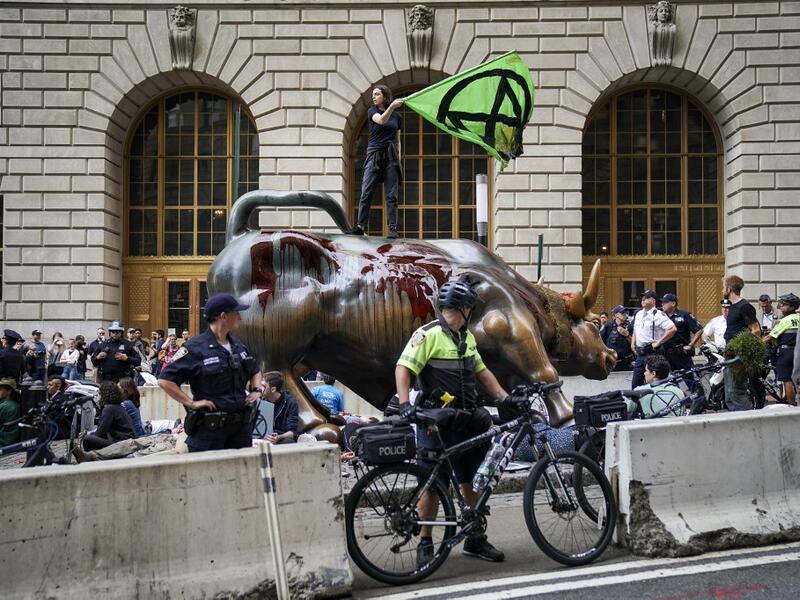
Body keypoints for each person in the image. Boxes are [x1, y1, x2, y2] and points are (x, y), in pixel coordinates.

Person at [396, 277, 509, 564]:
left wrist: (504, 398)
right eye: (471, 307)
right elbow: (403, 367)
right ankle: (425, 541)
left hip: (467, 419)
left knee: (470, 479)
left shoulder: (466, 337)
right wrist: (405, 404)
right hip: (438, 422)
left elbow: (483, 373)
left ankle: (474, 538)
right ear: (464, 307)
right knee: (434, 483)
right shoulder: (428, 334)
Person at [158, 293, 263, 452]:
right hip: (209, 432)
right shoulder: (195, 347)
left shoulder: (238, 345)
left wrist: (257, 390)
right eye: (236, 313)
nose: (240, 318)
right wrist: (191, 403)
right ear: (223, 316)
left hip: (240, 430)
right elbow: (165, 380)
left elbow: (255, 370)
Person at [351, 85, 404, 239]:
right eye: (373, 94)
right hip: (374, 154)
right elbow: (381, 120)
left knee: (391, 195)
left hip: (391, 156)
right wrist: (393, 106)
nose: (373, 97)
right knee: (366, 191)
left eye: (377, 94)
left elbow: (398, 140)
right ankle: (360, 226)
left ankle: (393, 228)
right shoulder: (372, 111)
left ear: (384, 96)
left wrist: (398, 158)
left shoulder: (397, 117)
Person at [722, 275, 761, 411]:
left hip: (738, 355)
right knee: (729, 394)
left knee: (736, 391)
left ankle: (747, 421)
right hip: (729, 352)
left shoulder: (744, 306)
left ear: (729, 288)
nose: (722, 290)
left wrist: (740, 348)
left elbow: (755, 330)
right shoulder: (731, 306)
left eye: (724, 287)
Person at [630, 290, 677, 388]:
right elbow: (636, 329)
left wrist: (658, 342)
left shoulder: (658, 314)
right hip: (640, 353)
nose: (643, 299)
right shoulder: (638, 314)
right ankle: (637, 403)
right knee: (635, 384)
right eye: (642, 297)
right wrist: (633, 342)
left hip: (652, 352)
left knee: (655, 383)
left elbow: (672, 328)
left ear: (653, 300)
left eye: (646, 297)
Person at [78, 381, 135, 451]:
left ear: (104, 394)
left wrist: (88, 435)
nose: (96, 396)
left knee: (87, 439)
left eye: (99, 393)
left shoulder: (109, 409)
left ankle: (89, 458)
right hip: (126, 441)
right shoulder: (116, 407)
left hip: (121, 444)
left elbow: (100, 433)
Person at [766, 293, 800, 405]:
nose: (780, 306)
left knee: (787, 380)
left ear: (792, 307)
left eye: (784, 304)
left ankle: (792, 405)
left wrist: (756, 343)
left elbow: (770, 337)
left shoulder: (785, 320)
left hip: (786, 353)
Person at [660, 293, 703, 383]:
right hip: (666, 354)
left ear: (673, 303)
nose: (662, 304)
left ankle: (699, 397)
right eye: (662, 302)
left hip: (681, 354)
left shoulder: (684, 315)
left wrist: (691, 345)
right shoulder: (661, 316)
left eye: (665, 302)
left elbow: (699, 330)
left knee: (689, 380)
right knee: (668, 382)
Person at [263, 371, 299, 444]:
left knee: (288, 442)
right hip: (262, 436)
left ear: (273, 389)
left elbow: (292, 433)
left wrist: (279, 437)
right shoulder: (261, 400)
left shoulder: (291, 403)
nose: (260, 388)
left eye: (264, 387)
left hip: (280, 437)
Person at [0, 377, 20, 447]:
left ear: (9, 391)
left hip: (4, 442)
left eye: (0, 389)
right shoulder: (9, 404)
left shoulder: (7, 406)